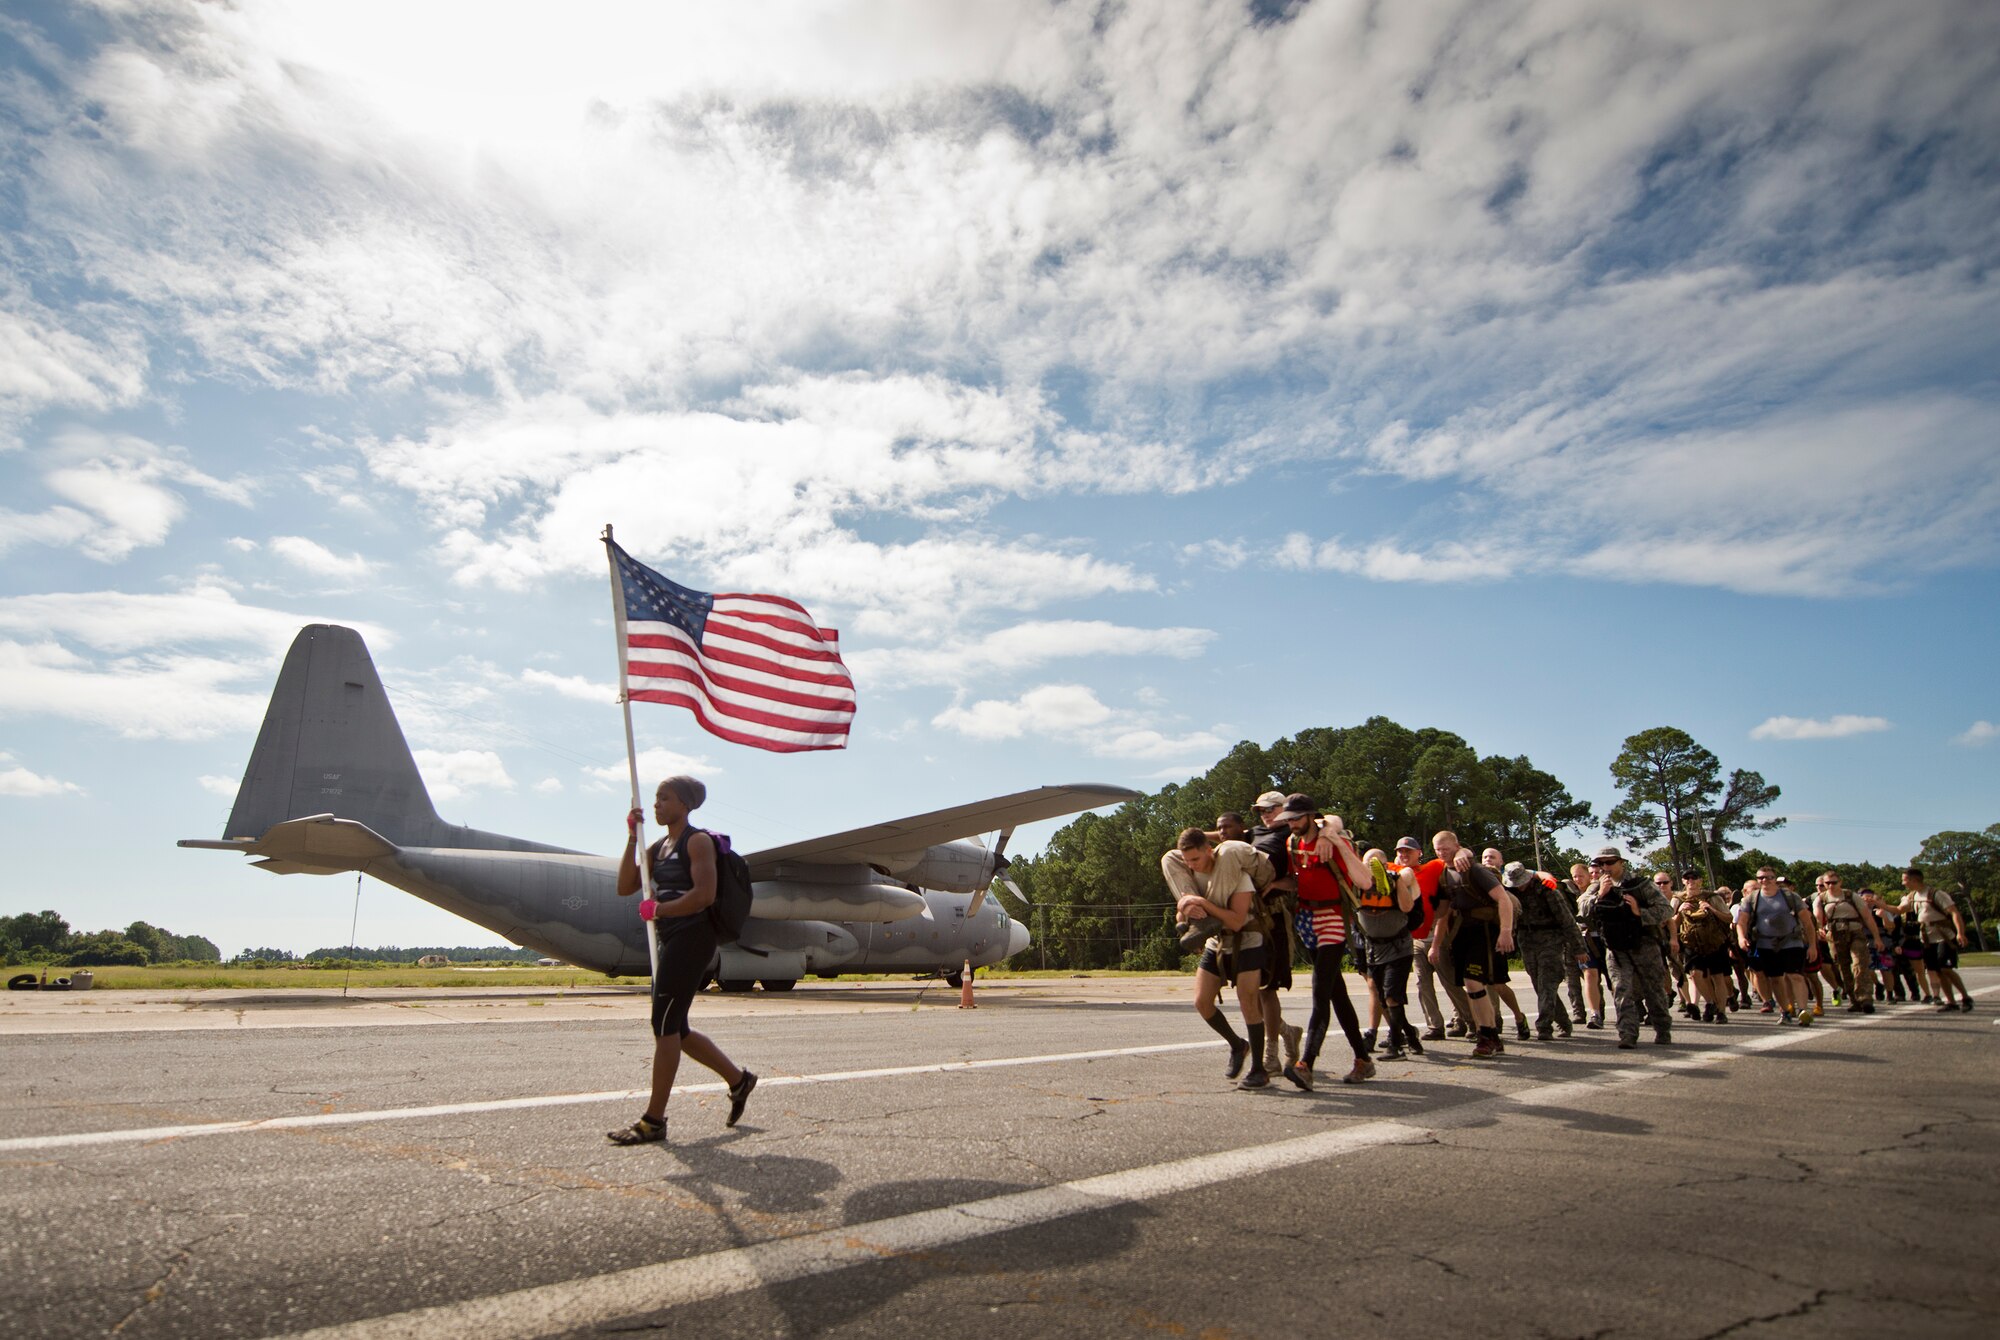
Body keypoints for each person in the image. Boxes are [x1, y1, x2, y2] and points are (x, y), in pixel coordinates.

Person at [608, 775, 757, 1146]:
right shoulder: (658, 846)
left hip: (693, 938)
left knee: (664, 1025)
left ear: (685, 804)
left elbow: (704, 896)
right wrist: (632, 836)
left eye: (665, 798)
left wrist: (659, 908)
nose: (656, 804)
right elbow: (625, 885)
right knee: (678, 1028)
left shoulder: (698, 841)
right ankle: (739, 1081)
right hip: (670, 938)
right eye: (656, 798)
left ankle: (653, 1121)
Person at [1274, 794, 1375, 1087]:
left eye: (1295, 818)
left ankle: (1306, 1063)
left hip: (1331, 918)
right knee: (1337, 996)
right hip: (1305, 919)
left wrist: (1336, 840)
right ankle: (1363, 1060)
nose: (1291, 824)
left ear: (1310, 816)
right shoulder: (1292, 843)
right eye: (1288, 819)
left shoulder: (1332, 842)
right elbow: (1296, 880)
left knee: (1320, 993)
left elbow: (1365, 881)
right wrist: (1270, 884)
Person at [1164, 828, 1274, 1086]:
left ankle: (1259, 1069)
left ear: (1208, 850)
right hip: (1216, 940)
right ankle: (1237, 1045)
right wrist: (1185, 908)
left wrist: (1203, 904)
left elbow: (1236, 921)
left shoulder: (1235, 873)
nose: (1192, 865)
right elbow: (1181, 918)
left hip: (1247, 936)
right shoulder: (1190, 875)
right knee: (1202, 1002)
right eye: (1187, 861)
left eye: (1196, 860)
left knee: (1247, 1001)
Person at [1228, 802, 1303, 1075]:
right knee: (1251, 987)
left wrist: (1274, 884)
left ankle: (1271, 1052)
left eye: (1272, 808)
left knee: (1267, 988)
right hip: (1249, 916)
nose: (1266, 814)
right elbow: (1225, 833)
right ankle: (1285, 1030)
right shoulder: (1255, 832)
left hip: (1274, 917)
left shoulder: (1293, 836)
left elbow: (1298, 879)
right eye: (1261, 810)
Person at [1426, 830, 1514, 1058]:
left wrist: (1505, 932)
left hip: (1484, 931)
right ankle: (1490, 1034)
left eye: (1445, 848)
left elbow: (1503, 899)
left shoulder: (1475, 870)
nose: (1442, 853)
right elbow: (1442, 914)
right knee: (1470, 984)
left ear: (1456, 845)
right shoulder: (1445, 875)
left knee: (1474, 982)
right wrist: (1435, 944)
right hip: (1461, 933)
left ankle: (1487, 1035)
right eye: (1437, 850)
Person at [1576, 847, 1674, 1049]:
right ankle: (1627, 1034)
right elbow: (1582, 910)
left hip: (1644, 944)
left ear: (1621, 862)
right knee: (1621, 989)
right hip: (1616, 947)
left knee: (1653, 989)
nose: (1605, 867)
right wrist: (1600, 894)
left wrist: (1640, 912)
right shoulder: (1596, 887)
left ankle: (1662, 1029)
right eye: (1601, 863)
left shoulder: (1640, 884)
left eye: (1609, 862)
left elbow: (1666, 910)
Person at [1355, 847, 1424, 1060]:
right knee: (1384, 999)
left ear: (1386, 866)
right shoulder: (1357, 885)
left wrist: (1398, 882)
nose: (1372, 869)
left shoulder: (1397, 881)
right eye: (1368, 865)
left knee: (1393, 996)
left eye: (1377, 865)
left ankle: (1396, 1046)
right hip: (1373, 948)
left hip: (1398, 947)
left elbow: (1407, 907)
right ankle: (1410, 1034)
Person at [1504, 861, 1584, 1040]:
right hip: (1527, 941)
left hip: (1551, 939)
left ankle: (1544, 1026)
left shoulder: (1547, 890)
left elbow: (1567, 920)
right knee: (1539, 985)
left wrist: (1579, 948)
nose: (1519, 886)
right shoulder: (1509, 892)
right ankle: (1563, 1021)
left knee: (1547, 982)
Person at [1735, 868, 1818, 1025]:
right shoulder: (1752, 899)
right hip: (1765, 943)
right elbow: (1742, 922)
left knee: (1795, 975)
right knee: (1775, 979)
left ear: (1774, 879)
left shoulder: (1790, 897)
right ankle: (1785, 1011)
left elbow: (1807, 922)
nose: (1764, 881)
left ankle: (1802, 1011)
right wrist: (1741, 937)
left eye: (1768, 877)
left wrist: (1812, 945)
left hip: (1791, 941)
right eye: (1761, 878)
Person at [1403, 837, 1465, 1041]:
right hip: (1415, 939)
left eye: (1408, 851)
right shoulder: (1396, 876)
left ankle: (1470, 1021)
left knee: (1450, 983)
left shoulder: (1434, 869)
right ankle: (1435, 1026)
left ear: (1419, 852)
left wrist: (1437, 945)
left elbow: (1459, 854)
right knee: (1423, 984)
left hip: (1438, 935)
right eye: (1401, 852)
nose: (1404, 855)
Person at [1903, 866, 1972, 1013]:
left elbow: (1954, 913)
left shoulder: (1936, 894)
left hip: (1944, 938)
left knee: (1945, 968)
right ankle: (1951, 1002)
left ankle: (1966, 998)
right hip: (1927, 940)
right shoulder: (1913, 896)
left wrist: (1960, 933)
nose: (1903, 883)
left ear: (1914, 880)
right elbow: (1898, 910)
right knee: (1938, 971)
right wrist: (1878, 904)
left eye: (1905, 880)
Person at [1815, 871, 1882, 1015]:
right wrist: (1820, 929)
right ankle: (1854, 999)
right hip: (1835, 936)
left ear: (1840, 882)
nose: (1831, 885)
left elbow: (1867, 917)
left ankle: (1865, 998)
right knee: (1843, 968)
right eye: (1827, 883)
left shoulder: (1851, 896)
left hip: (1855, 933)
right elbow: (1817, 917)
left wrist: (1877, 937)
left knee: (1859, 964)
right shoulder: (1821, 899)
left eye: (1834, 882)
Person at [1672, 873, 1734, 1024]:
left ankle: (1721, 1012)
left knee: (1717, 976)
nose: (1691, 881)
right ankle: (1710, 1002)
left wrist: (1711, 909)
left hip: (1714, 942)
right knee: (1695, 974)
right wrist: (1680, 911)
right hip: (1692, 943)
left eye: (1694, 878)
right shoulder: (1678, 899)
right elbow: (1670, 923)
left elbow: (1729, 918)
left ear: (1700, 880)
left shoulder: (1712, 897)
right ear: (1683, 881)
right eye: (1687, 878)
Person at [1569, 861, 1608, 1028]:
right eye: (1575, 876)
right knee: (1590, 975)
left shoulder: (1609, 888)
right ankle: (1595, 1015)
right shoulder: (1571, 893)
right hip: (1585, 939)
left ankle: (1628, 1011)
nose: (1594, 877)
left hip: (1606, 939)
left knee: (1614, 979)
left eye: (1581, 875)